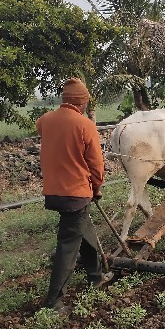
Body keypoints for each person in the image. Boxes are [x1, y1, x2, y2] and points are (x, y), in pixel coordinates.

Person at [36, 77, 106, 311]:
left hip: (54, 192)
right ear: (81, 102)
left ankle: (96, 277)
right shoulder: (85, 125)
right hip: (75, 194)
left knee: (85, 232)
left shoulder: (44, 121)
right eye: (85, 102)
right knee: (68, 245)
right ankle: (54, 301)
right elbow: (96, 165)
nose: (86, 105)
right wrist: (96, 188)